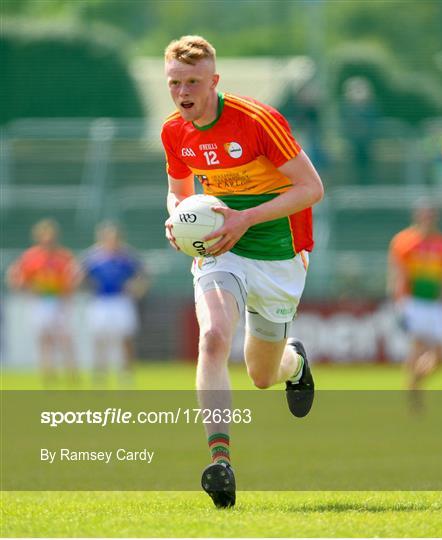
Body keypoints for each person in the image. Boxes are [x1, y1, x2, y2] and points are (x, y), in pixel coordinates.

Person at [161, 36, 324, 508]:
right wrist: (176, 219)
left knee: (262, 374)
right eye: (175, 83)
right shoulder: (174, 131)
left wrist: (245, 217)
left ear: (214, 81)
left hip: (279, 251)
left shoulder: (257, 120)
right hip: (219, 250)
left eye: (193, 82)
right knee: (212, 337)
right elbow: (177, 191)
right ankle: (221, 461)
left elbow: (312, 188)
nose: (183, 92)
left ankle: (293, 362)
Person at [388, 202, 442, 398]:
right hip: (413, 301)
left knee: (441, 354)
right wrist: (397, 301)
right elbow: (398, 273)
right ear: (418, 217)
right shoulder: (404, 241)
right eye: (425, 216)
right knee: (418, 344)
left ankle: (414, 382)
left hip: (436, 304)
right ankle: (412, 389)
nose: (428, 220)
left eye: (431, 216)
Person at [6, 219, 79, 386]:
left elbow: (73, 277)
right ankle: (48, 377)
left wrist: (67, 292)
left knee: (64, 339)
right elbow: (18, 277)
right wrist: (25, 287)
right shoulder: (31, 256)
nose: (48, 239)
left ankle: (72, 375)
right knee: (44, 340)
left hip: (58, 301)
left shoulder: (63, 256)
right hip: (40, 302)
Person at [81, 222, 148, 384]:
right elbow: (80, 277)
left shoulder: (126, 257)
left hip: (121, 301)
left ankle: (126, 375)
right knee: (100, 339)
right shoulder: (93, 258)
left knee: (125, 338)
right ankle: (100, 375)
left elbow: (142, 276)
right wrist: (87, 286)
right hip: (101, 301)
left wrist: (136, 288)